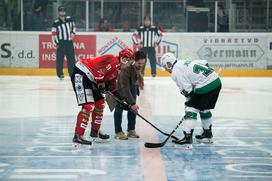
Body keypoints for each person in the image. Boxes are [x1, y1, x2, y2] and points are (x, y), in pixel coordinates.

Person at [71, 48, 135, 146]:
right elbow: (98, 73)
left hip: (91, 79)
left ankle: (95, 131)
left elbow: (112, 85)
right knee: (88, 106)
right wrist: (101, 85)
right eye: (130, 61)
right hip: (81, 74)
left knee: (100, 103)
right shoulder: (114, 61)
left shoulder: (118, 69)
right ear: (124, 58)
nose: (130, 64)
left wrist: (122, 100)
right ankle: (78, 135)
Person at [160, 53, 222, 149]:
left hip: (205, 86)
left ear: (169, 64)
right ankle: (207, 135)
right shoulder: (183, 62)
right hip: (216, 82)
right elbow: (204, 63)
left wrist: (189, 104)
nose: (166, 70)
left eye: (165, 67)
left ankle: (187, 139)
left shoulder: (176, 71)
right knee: (204, 109)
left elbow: (188, 91)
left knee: (191, 109)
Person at [107, 51, 146, 140]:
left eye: (143, 63)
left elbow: (134, 79)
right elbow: (124, 86)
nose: (141, 65)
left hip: (131, 86)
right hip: (119, 87)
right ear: (134, 60)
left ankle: (131, 130)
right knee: (119, 106)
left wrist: (133, 102)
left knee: (133, 108)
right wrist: (132, 102)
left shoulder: (135, 66)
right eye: (139, 63)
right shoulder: (126, 67)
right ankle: (118, 132)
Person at [51, 6, 76, 80]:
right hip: (61, 42)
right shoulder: (56, 22)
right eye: (61, 11)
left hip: (69, 42)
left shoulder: (69, 19)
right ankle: (60, 74)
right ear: (59, 12)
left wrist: (73, 33)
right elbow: (53, 34)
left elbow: (74, 26)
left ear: (65, 12)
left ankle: (72, 73)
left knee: (71, 58)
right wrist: (55, 43)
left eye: (63, 11)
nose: (62, 12)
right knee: (60, 59)